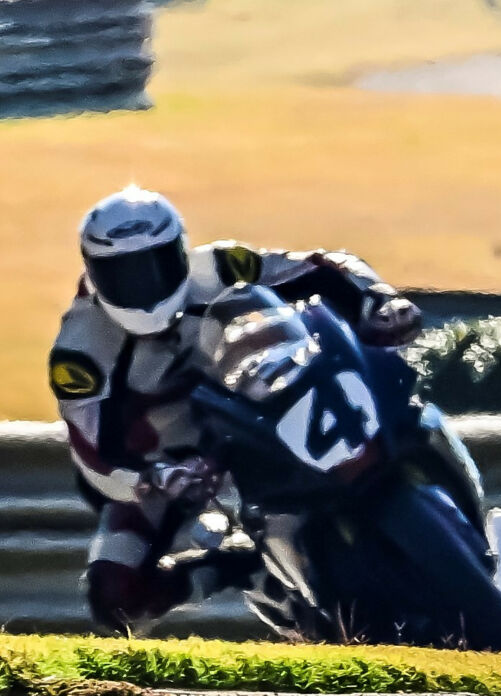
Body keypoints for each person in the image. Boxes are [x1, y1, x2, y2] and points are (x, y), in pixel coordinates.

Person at [52, 186, 423, 632]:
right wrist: (149, 480)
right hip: (170, 462)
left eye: (155, 264)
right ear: (94, 273)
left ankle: (415, 460)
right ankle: (236, 566)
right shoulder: (79, 350)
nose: (143, 286)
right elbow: (91, 454)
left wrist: (379, 298)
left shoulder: (221, 266)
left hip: (262, 407)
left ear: (180, 251)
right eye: (123, 274)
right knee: (115, 595)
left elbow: (321, 265)